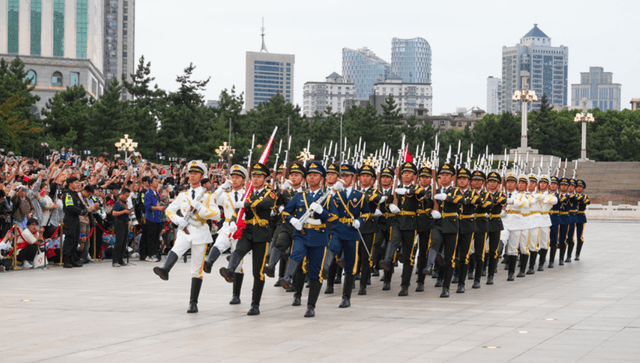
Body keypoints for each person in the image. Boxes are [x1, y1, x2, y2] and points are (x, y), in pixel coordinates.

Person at [153, 161, 221, 313]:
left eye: (195, 173)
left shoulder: (208, 196)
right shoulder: (183, 195)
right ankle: (165, 269)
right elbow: (169, 210)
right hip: (185, 230)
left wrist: (201, 209)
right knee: (176, 249)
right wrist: (178, 221)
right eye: (190, 173)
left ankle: (193, 302)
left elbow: (217, 215)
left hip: (200, 231)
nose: (191, 175)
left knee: (196, 270)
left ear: (201, 176)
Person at [279, 162, 338, 317]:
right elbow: (285, 212)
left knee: (315, 273)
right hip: (302, 234)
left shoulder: (326, 198)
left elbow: (335, 217)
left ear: (322, 178)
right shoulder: (299, 196)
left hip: (319, 237)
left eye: (315, 175)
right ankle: (287, 276)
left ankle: (311, 306)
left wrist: (322, 212)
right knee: (296, 253)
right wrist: (292, 220)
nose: (312, 177)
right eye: (310, 175)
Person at [219, 162, 276, 316]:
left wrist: (246, 203)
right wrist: (232, 222)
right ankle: (230, 270)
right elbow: (239, 210)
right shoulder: (248, 193)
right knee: (238, 250)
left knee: (257, 272)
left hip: (261, 234)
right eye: (254, 177)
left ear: (265, 179)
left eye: (259, 177)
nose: (256, 179)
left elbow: (265, 203)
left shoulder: (269, 193)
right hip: (247, 230)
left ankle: (255, 304)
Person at [321, 163, 369, 307]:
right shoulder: (334, 193)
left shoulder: (360, 195)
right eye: (342, 176)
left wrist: (360, 221)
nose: (344, 178)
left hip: (352, 232)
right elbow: (324, 204)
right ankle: (325, 266)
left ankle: (346, 297)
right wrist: (334, 191)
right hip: (337, 227)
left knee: (350, 264)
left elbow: (366, 212)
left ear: (353, 178)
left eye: (347, 176)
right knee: (332, 247)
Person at [202, 164, 247, 305]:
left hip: (240, 227)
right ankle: (209, 263)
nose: (234, 180)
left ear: (243, 180)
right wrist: (223, 186)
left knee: (238, 263)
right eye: (232, 177)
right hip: (227, 225)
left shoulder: (247, 194)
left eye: (237, 177)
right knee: (219, 243)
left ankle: (236, 295)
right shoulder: (225, 194)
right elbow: (212, 198)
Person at [379, 162, 425, 296]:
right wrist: (391, 206)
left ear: (414, 176)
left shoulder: (415, 188)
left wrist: (406, 191)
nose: (406, 175)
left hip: (410, 224)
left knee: (408, 256)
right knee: (392, 241)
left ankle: (405, 285)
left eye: (409, 173)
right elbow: (386, 204)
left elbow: (421, 192)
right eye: (404, 173)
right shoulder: (395, 188)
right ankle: (387, 260)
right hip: (397, 221)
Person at [264, 162, 306, 305]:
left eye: (297, 175)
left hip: (301, 227)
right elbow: (274, 205)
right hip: (287, 225)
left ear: (303, 178)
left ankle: (295, 288)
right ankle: (271, 266)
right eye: (292, 175)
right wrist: (280, 191)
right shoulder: (285, 192)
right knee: (280, 243)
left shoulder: (306, 193)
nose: (294, 178)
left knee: (296, 256)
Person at [430, 164, 463, 298]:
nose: (444, 177)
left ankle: (446, 287)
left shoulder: (456, 190)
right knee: (435, 242)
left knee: (449, 258)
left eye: (447, 175)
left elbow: (462, 200)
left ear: (452, 177)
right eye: (442, 175)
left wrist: (447, 198)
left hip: (451, 225)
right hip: (437, 223)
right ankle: (431, 264)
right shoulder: (435, 189)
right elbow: (427, 203)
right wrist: (431, 211)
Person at [356, 164, 386, 295]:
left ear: (373, 180)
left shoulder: (375, 192)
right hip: (354, 228)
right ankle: (351, 280)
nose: (364, 178)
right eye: (362, 176)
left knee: (366, 256)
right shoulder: (355, 191)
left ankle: (363, 284)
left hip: (368, 227)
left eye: (368, 176)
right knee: (353, 255)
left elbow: (377, 199)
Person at [414, 166, 434, 292]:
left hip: (427, 224)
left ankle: (420, 281)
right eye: (422, 177)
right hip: (413, 222)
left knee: (423, 253)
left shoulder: (434, 191)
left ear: (431, 179)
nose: (424, 179)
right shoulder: (413, 189)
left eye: (427, 177)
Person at [485, 171, 506, 285]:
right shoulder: (482, 194)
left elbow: (502, 201)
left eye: (494, 182)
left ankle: (491, 274)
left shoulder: (501, 194)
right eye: (490, 182)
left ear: (498, 184)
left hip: (495, 224)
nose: (492, 184)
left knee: (493, 250)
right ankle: (481, 268)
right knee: (481, 249)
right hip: (483, 223)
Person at [61, 177, 87, 268]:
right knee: (70, 239)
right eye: (75, 182)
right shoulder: (67, 194)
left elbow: (81, 204)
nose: (77, 184)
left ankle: (72, 259)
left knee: (75, 239)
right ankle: (66, 260)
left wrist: (84, 209)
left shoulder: (75, 194)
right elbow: (70, 206)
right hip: (70, 218)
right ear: (70, 183)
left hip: (76, 218)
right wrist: (80, 211)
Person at [144, 176, 165, 262]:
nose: (157, 183)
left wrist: (161, 208)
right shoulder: (148, 193)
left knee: (156, 237)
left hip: (157, 218)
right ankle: (150, 254)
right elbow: (147, 207)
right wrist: (158, 208)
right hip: (151, 218)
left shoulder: (156, 193)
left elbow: (158, 204)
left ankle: (155, 253)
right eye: (155, 181)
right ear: (151, 183)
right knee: (151, 237)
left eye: (158, 181)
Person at [111, 188, 132, 267]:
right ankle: (115, 260)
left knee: (124, 242)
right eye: (126, 196)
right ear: (122, 194)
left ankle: (121, 259)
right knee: (119, 242)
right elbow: (114, 213)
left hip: (125, 223)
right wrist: (124, 211)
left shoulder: (124, 203)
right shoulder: (118, 203)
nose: (127, 197)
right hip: (119, 223)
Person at [574, 179, 590, 261]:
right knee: (570, 237)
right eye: (577, 187)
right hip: (573, 216)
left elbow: (587, 201)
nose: (579, 188)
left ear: (583, 188)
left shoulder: (585, 196)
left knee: (579, 237)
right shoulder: (572, 196)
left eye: (581, 187)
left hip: (580, 216)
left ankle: (577, 254)